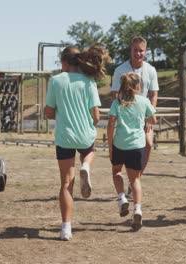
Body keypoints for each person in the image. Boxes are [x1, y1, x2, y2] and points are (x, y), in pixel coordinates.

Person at [45, 45, 111, 241]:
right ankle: (85, 165)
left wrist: (57, 112)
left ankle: (66, 228)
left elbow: (49, 112)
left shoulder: (56, 80)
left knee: (66, 183)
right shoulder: (89, 82)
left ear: (64, 62)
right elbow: (96, 116)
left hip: (64, 136)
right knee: (90, 152)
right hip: (84, 135)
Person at [107, 72, 156, 231]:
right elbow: (153, 120)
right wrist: (146, 120)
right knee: (135, 179)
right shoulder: (143, 101)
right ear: (137, 86)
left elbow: (110, 124)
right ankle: (137, 210)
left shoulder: (117, 102)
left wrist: (110, 146)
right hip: (137, 145)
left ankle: (122, 198)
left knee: (116, 172)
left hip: (120, 144)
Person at [110, 36, 159, 195]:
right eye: (135, 50)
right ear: (130, 50)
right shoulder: (120, 70)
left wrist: (149, 114)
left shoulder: (150, 70)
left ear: (145, 52)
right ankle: (132, 180)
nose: (138, 53)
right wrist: (121, 112)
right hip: (126, 114)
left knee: (149, 144)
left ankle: (136, 178)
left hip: (144, 113)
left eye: (141, 51)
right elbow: (114, 94)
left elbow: (153, 94)